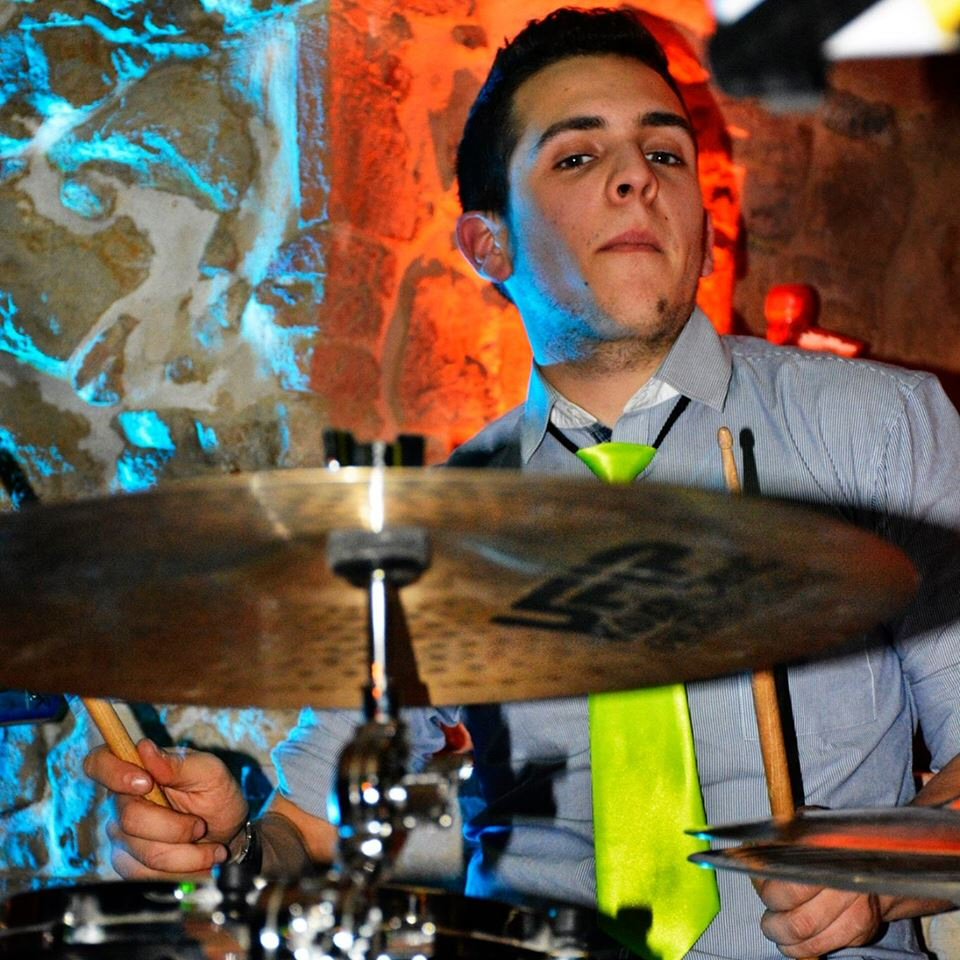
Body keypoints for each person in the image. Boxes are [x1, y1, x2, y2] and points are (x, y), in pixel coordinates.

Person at [85, 8, 960, 958]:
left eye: (664, 154)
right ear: (488, 246)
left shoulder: (882, 428)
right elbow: (320, 825)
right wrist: (232, 848)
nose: (637, 177)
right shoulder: (437, 521)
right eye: (578, 157)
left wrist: (878, 878)